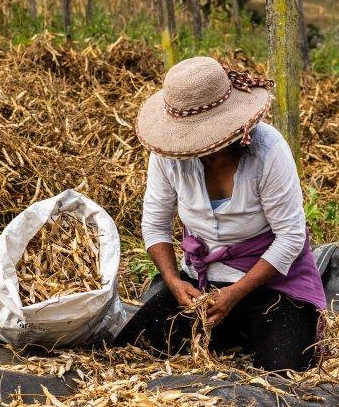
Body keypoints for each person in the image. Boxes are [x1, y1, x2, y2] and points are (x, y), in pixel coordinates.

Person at [113, 56, 326, 372]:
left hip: (267, 285)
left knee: (286, 370)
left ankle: (243, 332)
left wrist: (234, 294)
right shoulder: (168, 156)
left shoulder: (267, 151)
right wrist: (173, 281)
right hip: (199, 285)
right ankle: (226, 333)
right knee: (129, 351)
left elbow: (291, 237)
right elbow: (155, 224)